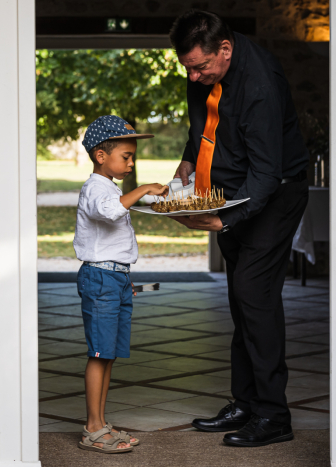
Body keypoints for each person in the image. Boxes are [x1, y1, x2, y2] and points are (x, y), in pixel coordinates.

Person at [168, 10, 309, 447]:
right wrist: (188, 162)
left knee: (254, 293)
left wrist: (223, 219)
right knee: (240, 297)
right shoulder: (204, 73)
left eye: (200, 67)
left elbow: (267, 175)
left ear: (224, 50)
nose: (193, 77)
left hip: (274, 197)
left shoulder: (260, 84)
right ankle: (245, 403)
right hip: (231, 195)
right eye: (187, 67)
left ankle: (273, 416)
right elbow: (202, 126)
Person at [74, 115, 167, 454]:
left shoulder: (109, 187)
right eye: (125, 157)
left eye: (132, 156)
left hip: (114, 277)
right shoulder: (96, 188)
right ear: (101, 155)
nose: (131, 162)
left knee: (108, 354)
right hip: (100, 278)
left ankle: (99, 422)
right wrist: (142, 190)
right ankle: (92, 428)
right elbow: (110, 212)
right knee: (99, 355)